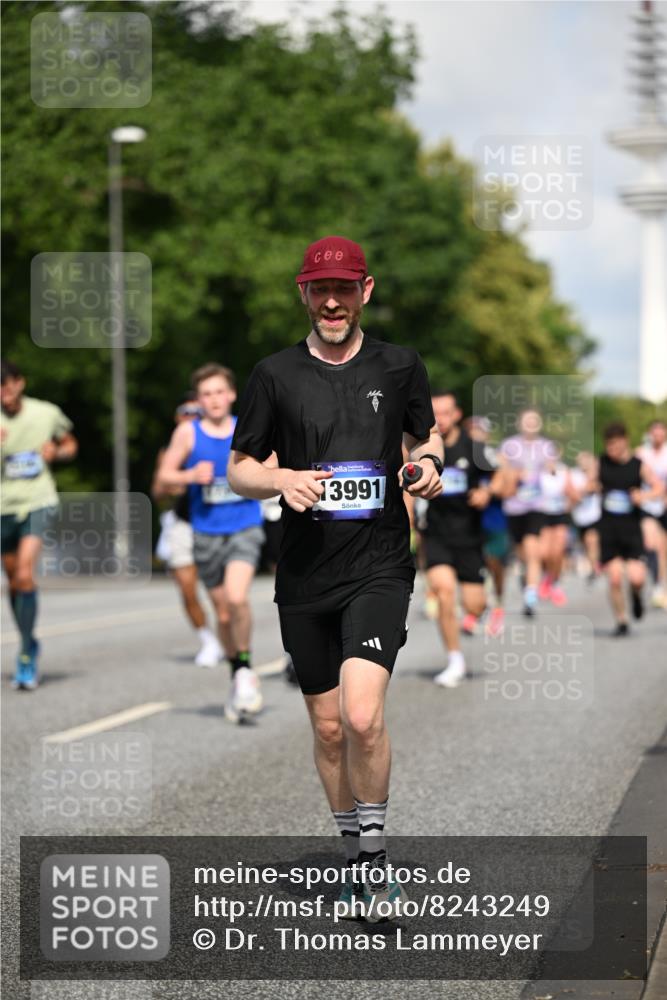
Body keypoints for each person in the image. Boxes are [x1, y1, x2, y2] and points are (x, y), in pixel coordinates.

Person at [226, 236, 443, 919]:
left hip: (379, 563)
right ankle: (350, 857)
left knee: (359, 714)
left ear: (365, 291)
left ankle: (375, 864)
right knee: (326, 729)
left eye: (343, 288)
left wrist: (428, 465)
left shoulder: (399, 365)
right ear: (302, 292)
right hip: (303, 572)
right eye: (319, 289)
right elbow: (238, 468)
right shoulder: (273, 375)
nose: (331, 301)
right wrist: (279, 477)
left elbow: (425, 439)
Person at [158, 364, 265, 722]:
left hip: (245, 526)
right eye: (207, 394)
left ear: (232, 394)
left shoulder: (245, 427)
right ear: (198, 399)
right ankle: (237, 671)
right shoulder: (188, 434)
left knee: (237, 598)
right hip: (205, 533)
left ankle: (247, 668)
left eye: (220, 392)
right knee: (221, 612)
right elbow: (163, 476)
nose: (214, 399)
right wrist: (189, 474)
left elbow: (274, 463)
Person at [1, 360, 78, 689]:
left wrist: (56, 452)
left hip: (38, 501)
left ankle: (26, 656)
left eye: (7, 385)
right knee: (13, 583)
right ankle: (28, 640)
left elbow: (70, 445)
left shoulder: (46, 412)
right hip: (4, 506)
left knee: (24, 573)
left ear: (20, 382)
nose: (4, 394)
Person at [419, 392, 501, 687]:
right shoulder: (423, 448)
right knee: (443, 592)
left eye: (445, 413)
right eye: (434, 414)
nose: (440, 419)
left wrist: (487, 492)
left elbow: (502, 476)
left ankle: (484, 606)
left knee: (473, 604)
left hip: (469, 536)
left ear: (456, 414)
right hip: (437, 533)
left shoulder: (475, 448)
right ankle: (455, 659)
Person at [152, 394, 223, 669]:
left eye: (196, 410)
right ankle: (208, 640)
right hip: (183, 522)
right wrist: (181, 479)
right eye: (185, 411)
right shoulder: (171, 450)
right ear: (177, 416)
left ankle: (227, 634)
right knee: (185, 587)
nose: (190, 415)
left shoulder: (218, 440)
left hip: (216, 521)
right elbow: (158, 491)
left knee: (220, 589)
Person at [596, 422, 662, 637]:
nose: (611, 450)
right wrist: (589, 488)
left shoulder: (638, 465)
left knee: (637, 579)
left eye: (615, 445)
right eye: (608, 446)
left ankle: (635, 596)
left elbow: (659, 487)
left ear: (625, 441)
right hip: (608, 529)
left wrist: (643, 497)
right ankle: (621, 620)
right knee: (614, 577)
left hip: (632, 528)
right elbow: (588, 484)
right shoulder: (601, 463)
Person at [499, 408, 557, 616]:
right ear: (519, 423)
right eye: (527, 420)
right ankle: (527, 578)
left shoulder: (546, 446)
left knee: (533, 549)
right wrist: (515, 473)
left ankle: (530, 596)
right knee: (521, 551)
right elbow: (502, 469)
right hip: (514, 506)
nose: (531, 423)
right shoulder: (509, 445)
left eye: (535, 420)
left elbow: (553, 470)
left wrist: (550, 469)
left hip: (536, 505)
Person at [466, 416, 511, 638]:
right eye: (472, 430)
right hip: (469, 521)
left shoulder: (496, 458)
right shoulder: (462, 455)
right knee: (474, 564)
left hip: (493, 519)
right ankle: (475, 610)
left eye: (479, 431)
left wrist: (489, 490)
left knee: (494, 563)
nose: (475, 434)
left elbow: (507, 488)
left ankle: (499, 603)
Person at [635, 419, 667, 609]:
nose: (658, 435)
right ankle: (656, 582)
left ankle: (660, 585)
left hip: (664, 505)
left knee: (663, 549)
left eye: (661, 432)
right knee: (651, 544)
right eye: (654, 432)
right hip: (647, 505)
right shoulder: (641, 453)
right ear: (649, 434)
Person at [537, 450, 572, 607]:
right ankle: (547, 577)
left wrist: (571, 502)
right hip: (543, 515)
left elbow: (572, 493)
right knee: (544, 553)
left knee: (557, 552)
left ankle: (555, 584)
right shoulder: (538, 473)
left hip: (560, 514)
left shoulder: (564, 472)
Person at [569, 451, 601, 581]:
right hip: (580, 517)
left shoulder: (596, 474)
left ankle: (595, 567)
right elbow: (572, 494)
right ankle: (593, 564)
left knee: (592, 540)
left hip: (595, 515)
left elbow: (596, 487)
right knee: (586, 543)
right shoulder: (573, 475)